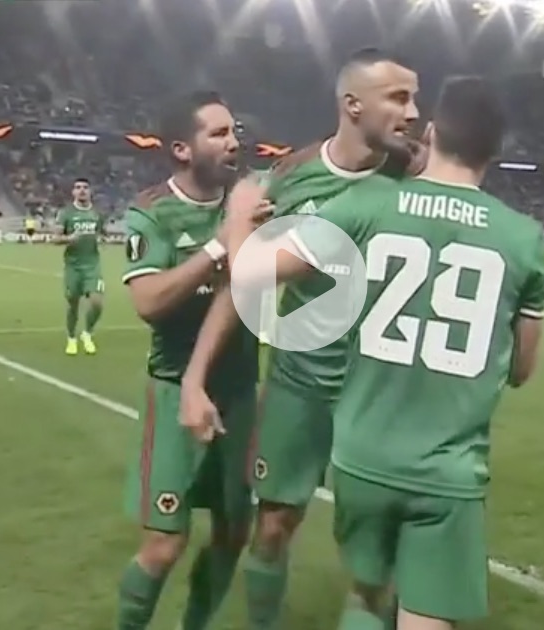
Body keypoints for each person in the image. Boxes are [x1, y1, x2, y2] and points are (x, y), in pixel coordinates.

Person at [188, 75, 544, 630]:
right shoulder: (524, 238)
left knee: (366, 589)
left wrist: (238, 220)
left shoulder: (369, 205)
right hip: (445, 464)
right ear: (496, 150)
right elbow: (522, 370)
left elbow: (251, 273)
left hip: (365, 453)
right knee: (393, 602)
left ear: (433, 133)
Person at [178, 47, 422, 630]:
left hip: (384, 392)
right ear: (353, 104)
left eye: (414, 99)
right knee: (272, 528)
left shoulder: (420, 176)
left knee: (377, 553)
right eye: (399, 98)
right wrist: (194, 378)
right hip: (301, 385)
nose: (413, 113)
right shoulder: (289, 179)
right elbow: (243, 284)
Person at [117, 90, 265, 630]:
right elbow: (149, 301)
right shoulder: (151, 212)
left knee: (232, 533)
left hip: (241, 392)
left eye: (234, 131)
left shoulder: (250, 200)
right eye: (218, 133)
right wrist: (218, 248)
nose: (233, 142)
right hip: (174, 387)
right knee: (163, 544)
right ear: (182, 149)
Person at [54, 178, 104, 355]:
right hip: (73, 266)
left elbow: (101, 232)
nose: (82, 190)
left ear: (90, 191)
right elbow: (55, 238)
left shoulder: (97, 214)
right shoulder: (66, 213)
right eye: (78, 187)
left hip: (92, 265)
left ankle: (87, 333)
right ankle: (71, 338)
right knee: (73, 304)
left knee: (97, 303)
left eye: (85, 187)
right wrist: (69, 238)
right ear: (73, 192)